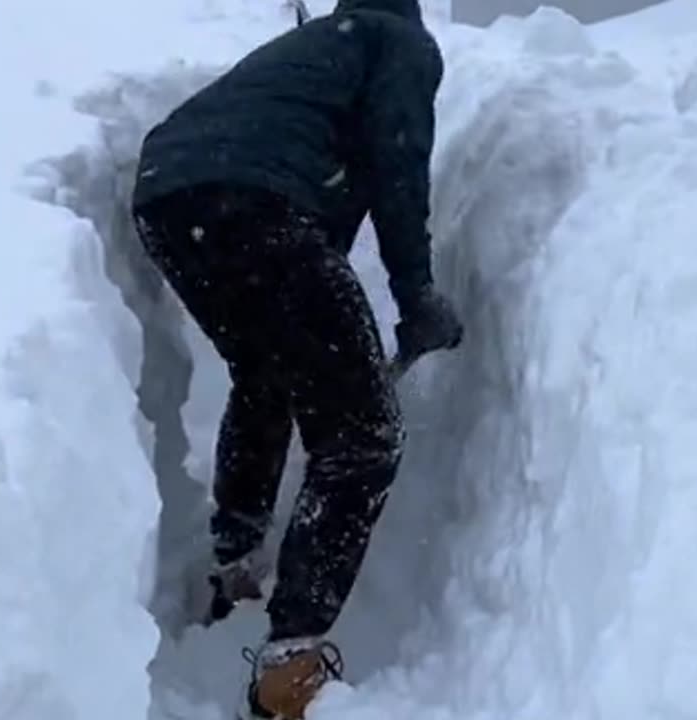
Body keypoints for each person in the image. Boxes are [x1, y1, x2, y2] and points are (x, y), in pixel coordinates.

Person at [130, 0, 462, 717]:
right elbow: (398, 160)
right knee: (364, 438)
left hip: (168, 193)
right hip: (253, 199)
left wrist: (327, 335)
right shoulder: (397, 41)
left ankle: (236, 565)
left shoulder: (321, 48)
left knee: (266, 370)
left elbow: (324, 224)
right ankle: (290, 667)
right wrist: (415, 295)